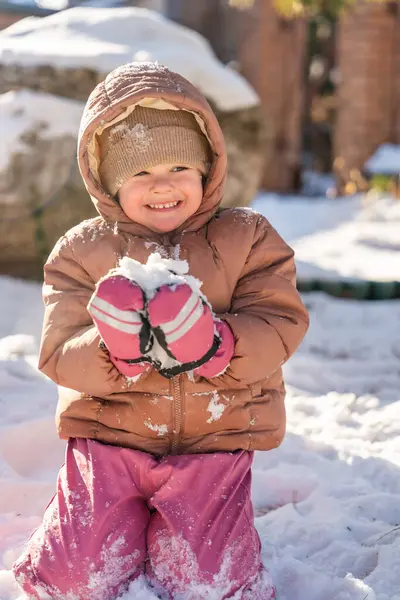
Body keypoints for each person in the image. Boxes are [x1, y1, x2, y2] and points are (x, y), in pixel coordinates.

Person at [13, 61, 309, 600]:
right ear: (108, 183)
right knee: (73, 580)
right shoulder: (81, 252)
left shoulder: (247, 237)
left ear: (207, 169)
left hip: (213, 445)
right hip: (108, 441)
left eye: (178, 166)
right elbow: (59, 352)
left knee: (210, 585)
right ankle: (98, 521)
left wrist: (218, 346)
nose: (163, 185)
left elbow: (280, 320)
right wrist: (113, 348)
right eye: (140, 173)